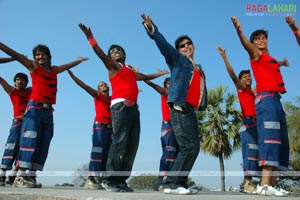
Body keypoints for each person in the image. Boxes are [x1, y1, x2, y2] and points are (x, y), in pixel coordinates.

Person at [78, 23, 169, 192]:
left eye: (118, 50)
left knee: (132, 145)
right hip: (120, 107)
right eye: (112, 52)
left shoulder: (128, 70)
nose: (115, 52)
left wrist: (159, 74)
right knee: (119, 142)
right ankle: (110, 179)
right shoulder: (113, 67)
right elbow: (100, 54)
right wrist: (90, 38)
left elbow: (145, 76)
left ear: (125, 54)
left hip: (134, 109)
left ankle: (121, 180)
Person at [0, 42, 88, 188]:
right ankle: (21, 176)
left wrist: (78, 61)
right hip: (34, 108)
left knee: (44, 143)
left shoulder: (54, 70)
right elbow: (15, 54)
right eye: (37, 55)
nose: (40, 57)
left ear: (48, 56)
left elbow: (66, 66)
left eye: (43, 54)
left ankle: (32, 175)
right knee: (29, 141)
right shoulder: (34, 67)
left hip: (48, 111)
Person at [141, 14, 207, 195]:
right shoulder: (178, 60)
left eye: (188, 44)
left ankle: (181, 182)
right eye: (182, 45)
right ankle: (170, 183)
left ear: (193, 46)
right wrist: (152, 29)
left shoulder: (198, 68)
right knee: (187, 147)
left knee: (194, 147)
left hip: (191, 110)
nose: (186, 47)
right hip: (179, 107)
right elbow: (164, 46)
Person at [231, 16, 290, 196]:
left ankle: (273, 184)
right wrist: (240, 32)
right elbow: (246, 46)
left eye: (263, 37)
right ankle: (264, 184)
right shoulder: (256, 55)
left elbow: (273, 63)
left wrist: (282, 62)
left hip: (276, 101)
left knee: (281, 142)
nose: (260, 40)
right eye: (256, 39)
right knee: (270, 140)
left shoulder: (270, 59)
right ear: (253, 44)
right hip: (266, 101)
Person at [217, 46, 260, 194]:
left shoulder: (253, 93)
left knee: (256, 153)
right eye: (245, 77)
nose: (248, 78)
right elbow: (233, 75)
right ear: (241, 80)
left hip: (256, 124)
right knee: (250, 152)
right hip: (247, 124)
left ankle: (247, 182)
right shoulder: (241, 87)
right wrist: (224, 58)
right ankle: (247, 182)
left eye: (249, 76)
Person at [67, 69, 112, 190]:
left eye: (105, 84)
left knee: (107, 154)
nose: (104, 85)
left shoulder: (113, 99)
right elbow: (85, 86)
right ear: (98, 89)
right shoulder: (97, 96)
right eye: (101, 85)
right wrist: (73, 76)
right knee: (98, 152)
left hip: (110, 129)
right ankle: (91, 178)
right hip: (100, 126)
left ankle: (102, 179)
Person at [144, 78, 178, 191]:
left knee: (176, 153)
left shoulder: (178, 95)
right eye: (168, 83)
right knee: (168, 151)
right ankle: (160, 180)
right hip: (167, 124)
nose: (171, 84)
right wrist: (145, 79)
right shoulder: (164, 93)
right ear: (165, 85)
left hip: (178, 126)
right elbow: (153, 85)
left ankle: (173, 180)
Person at [0, 73, 31, 186]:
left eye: (22, 80)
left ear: (26, 83)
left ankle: (13, 176)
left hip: (29, 124)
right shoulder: (13, 92)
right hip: (17, 123)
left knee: (24, 149)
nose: (20, 81)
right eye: (18, 79)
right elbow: (2, 81)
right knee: (11, 146)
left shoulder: (30, 92)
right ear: (14, 82)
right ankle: (2, 175)